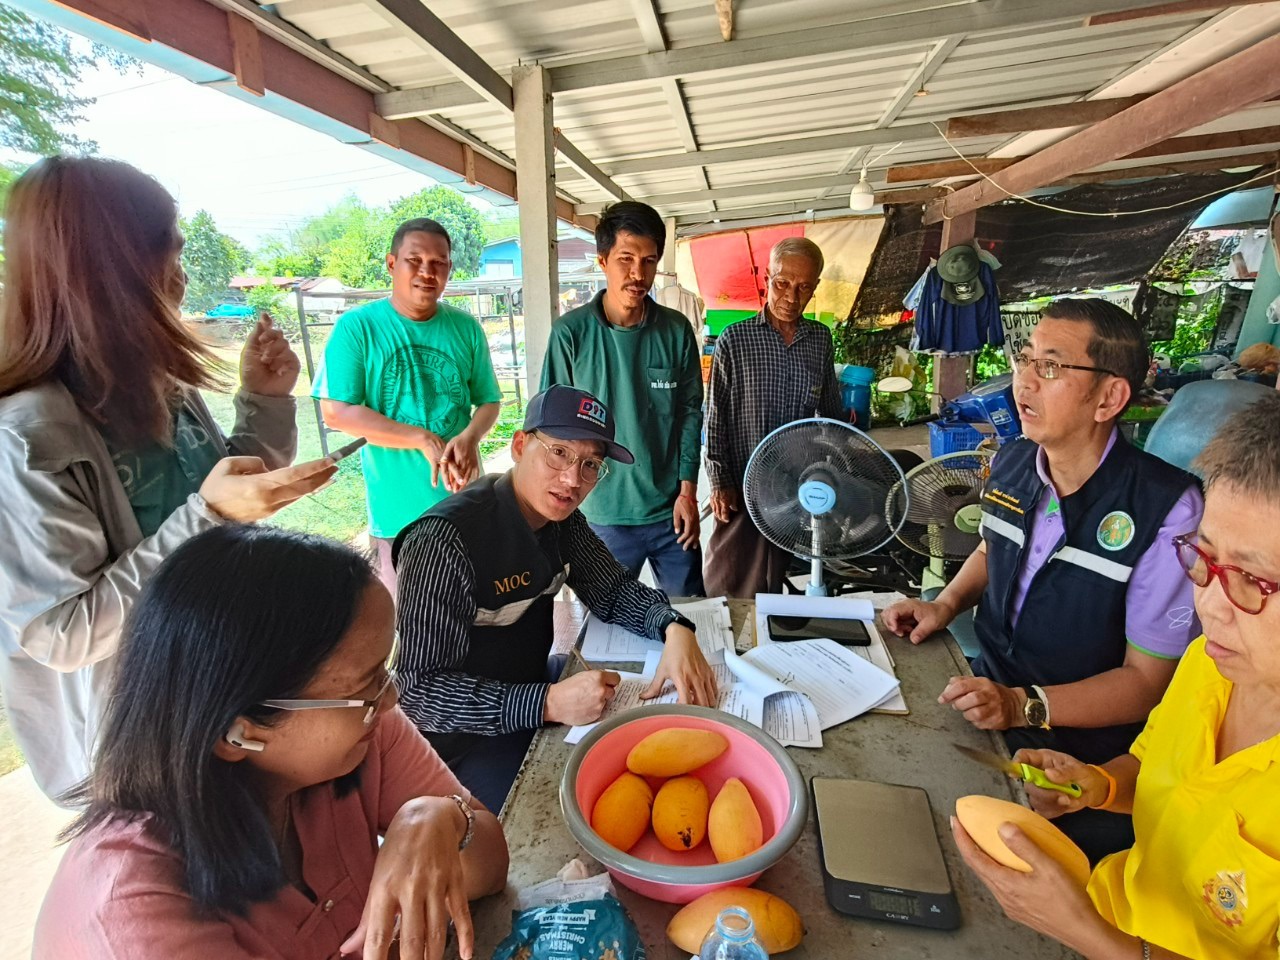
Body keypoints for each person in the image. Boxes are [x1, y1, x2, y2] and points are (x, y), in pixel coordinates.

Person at [0, 157, 334, 805]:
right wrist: (208, 516)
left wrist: (263, 402)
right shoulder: (29, 433)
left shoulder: (162, 385)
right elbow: (61, 633)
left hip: (217, 697)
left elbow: (231, 487)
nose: (181, 268)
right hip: (140, 751)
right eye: (165, 247)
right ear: (107, 267)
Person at [35, 524, 508, 960]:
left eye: (382, 670)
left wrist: (437, 818)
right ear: (239, 733)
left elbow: (491, 863)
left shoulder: (359, 729)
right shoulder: (136, 916)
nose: (391, 697)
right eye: (365, 684)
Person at [953, 392, 1280, 960]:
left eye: (1253, 581)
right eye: (1204, 560)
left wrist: (1086, 934)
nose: (1210, 607)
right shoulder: (1211, 664)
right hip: (1105, 902)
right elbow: (1152, 768)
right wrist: (1096, 785)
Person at [885, 298, 1202, 862]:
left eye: (1051, 367)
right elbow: (993, 544)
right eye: (1023, 358)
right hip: (991, 703)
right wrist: (949, 602)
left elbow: (1148, 683)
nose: (1023, 381)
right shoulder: (1014, 461)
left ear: (1109, 397)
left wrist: (1023, 705)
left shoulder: (1167, 510)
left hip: (1086, 764)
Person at [393, 385, 718, 811]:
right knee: (566, 811)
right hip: (460, 743)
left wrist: (673, 625)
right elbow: (418, 692)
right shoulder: (444, 541)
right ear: (519, 445)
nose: (572, 480)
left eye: (589, 465)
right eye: (559, 453)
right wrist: (545, 702)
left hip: (532, 688)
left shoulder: (561, 522)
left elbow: (613, 589)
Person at [313, 217, 503, 593]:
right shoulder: (358, 328)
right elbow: (336, 411)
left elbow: (489, 403)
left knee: (476, 617)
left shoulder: (465, 328)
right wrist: (420, 438)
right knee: (412, 628)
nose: (426, 273)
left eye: (438, 263)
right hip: (398, 516)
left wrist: (469, 437)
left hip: (465, 505)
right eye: (414, 260)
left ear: (449, 268)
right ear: (391, 264)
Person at [541, 201, 705, 596]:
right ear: (602, 260)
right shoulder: (571, 335)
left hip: (671, 514)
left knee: (691, 614)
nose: (638, 274)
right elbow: (550, 431)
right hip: (600, 515)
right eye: (625, 259)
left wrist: (687, 492)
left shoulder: (676, 331)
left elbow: (688, 416)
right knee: (607, 626)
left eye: (648, 261)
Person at [703, 237, 847, 598]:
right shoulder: (735, 340)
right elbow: (716, 416)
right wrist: (720, 480)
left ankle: (771, 643)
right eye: (783, 283)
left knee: (777, 573)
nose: (791, 297)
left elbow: (831, 412)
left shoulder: (820, 340)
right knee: (730, 579)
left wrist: (838, 466)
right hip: (743, 481)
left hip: (795, 484)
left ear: (814, 289)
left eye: (804, 288)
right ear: (767, 278)